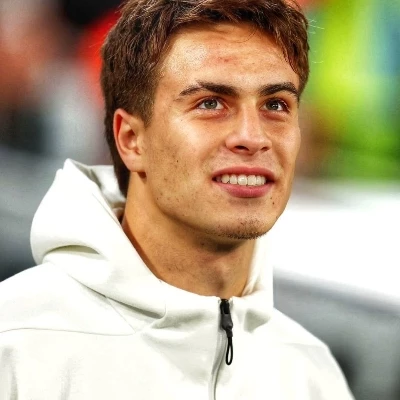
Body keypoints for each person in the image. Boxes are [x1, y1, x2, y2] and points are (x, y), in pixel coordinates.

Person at [0, 0, 354, 398]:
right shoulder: (15, 347)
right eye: (210, 103)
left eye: (275, 105)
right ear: (131, 139)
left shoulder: (312, 375)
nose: (253, 137)